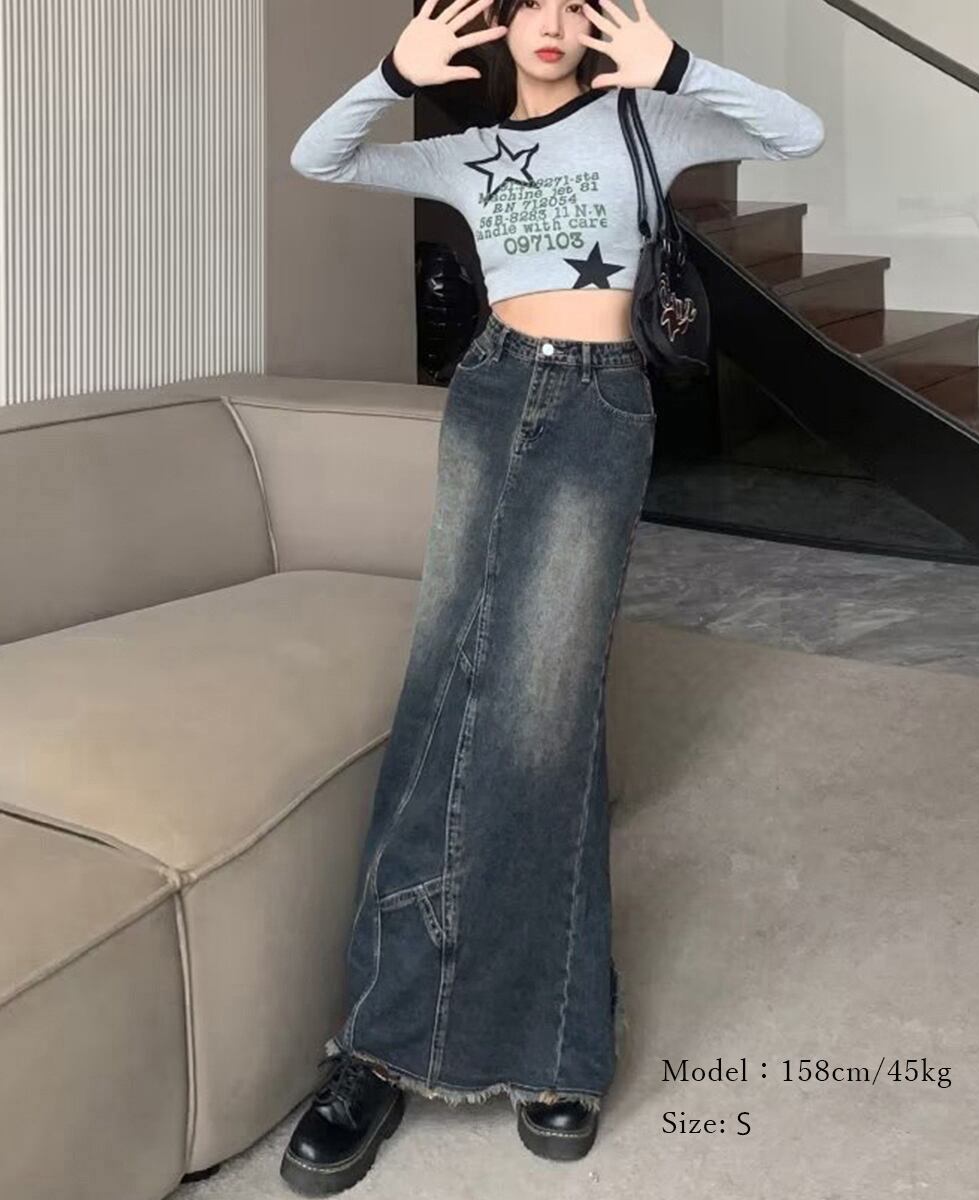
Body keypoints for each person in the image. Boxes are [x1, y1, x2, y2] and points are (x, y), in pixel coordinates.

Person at [281, 1, 824, 1193]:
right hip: (489, 394)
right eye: (529, 1)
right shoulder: (467, 151)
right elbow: (318, 157)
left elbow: (800, 133)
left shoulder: (644, 120)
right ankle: (380, 1042)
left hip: (596, 406)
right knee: (445, 691)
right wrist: (390, 73)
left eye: (575, 2)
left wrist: (678, 65)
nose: (552, 20)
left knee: (544, 710)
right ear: (499, 22)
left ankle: (553, 1042)